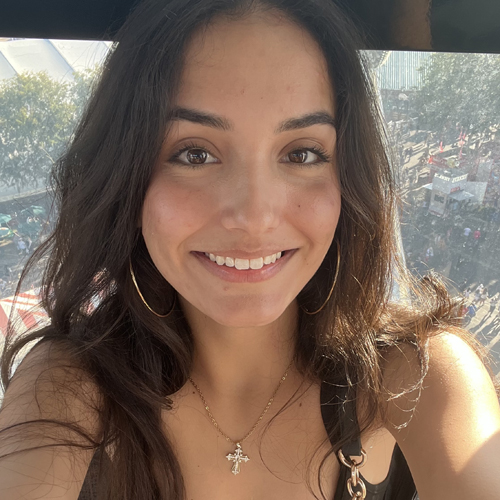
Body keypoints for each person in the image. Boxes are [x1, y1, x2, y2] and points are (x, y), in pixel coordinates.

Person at [1, 1, 499, 500]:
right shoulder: (66, 385)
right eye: (194, 154)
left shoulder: (420, 376)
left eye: (302, 153)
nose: (255, 216)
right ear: (126, 180)